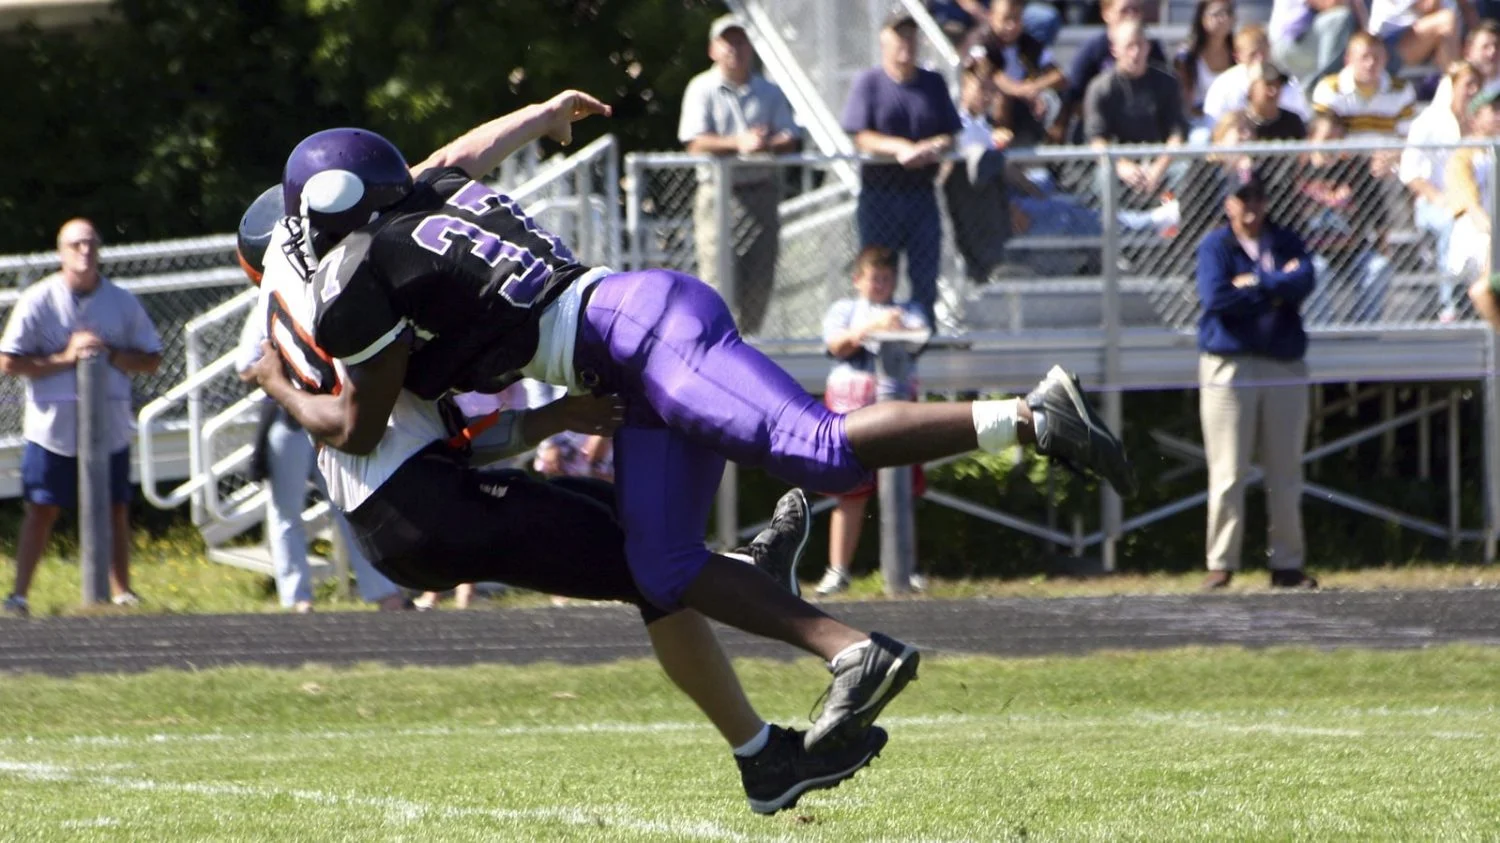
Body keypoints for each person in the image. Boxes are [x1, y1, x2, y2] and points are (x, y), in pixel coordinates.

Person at [250, 88, 1134, 767]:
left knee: (820, 447)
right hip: (628, 361)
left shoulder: (362, 264)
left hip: (639, 329)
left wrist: (277, 381)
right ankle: (835, 642)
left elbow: (359, 418)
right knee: (659, 564)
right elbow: (461, 150)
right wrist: (546, 111)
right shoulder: (428, 195)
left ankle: (1024, 415)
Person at [232, 186, 880, 815]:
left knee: (643, 554)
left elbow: (437, 427)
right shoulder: (340, 293)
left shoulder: (306, 304)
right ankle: (767, 700)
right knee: (654, 563)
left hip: (412, 501)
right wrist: (277, 384)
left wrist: (556, 417)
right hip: (420, 498)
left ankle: (761, 746)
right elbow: (360, 425)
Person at [233, 194, 412, 613]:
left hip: (334, 413)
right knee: (286, 509)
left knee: (352, 504)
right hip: (290, 418)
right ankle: (298, 599)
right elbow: (247, 366)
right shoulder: (272, 296)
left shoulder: (337, 285)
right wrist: (278, 372)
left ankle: (383, 592)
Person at [0, 218, 163, 616]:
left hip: (108, 426)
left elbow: (152, 357)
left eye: (90, 243)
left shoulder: (121, 301)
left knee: (116, 507)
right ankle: (19, 595)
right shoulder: (40, 299)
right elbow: (9, 360)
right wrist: (65, 358)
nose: (84, 252)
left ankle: (121, 590)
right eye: (75, 244)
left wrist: (109, 354)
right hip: (53, 426)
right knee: (42, 507)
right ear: (61, 252)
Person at [1196, 165, 1320, 590]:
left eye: (1256, 198)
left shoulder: (1285, 240)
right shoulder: (1216, 245)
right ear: (1228, 203)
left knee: (1285, 470)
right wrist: (1273, 290)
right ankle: (1221, 563)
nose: (1250, 207)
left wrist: (1257, 282)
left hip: (1282, 363)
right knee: (1228, 470)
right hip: (1229, 366)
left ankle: (1287, 564)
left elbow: (1304, 280)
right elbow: (1217, 296)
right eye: (1241, 198)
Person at [814, 247, 931, 597]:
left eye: (887, 278)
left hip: (896, 406)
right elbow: (837, 345)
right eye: (874, 278)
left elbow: (919, 337)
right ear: (858, 280)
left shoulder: (907, 310)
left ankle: (904, 570)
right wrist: (869, 328)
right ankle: (838, 570)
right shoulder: (844, 311)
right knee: (850, 491)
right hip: (852, 406)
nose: (881, 285)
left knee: (900, 490)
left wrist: (893, 325)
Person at [678, 14, 800, 335]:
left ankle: (749, 350)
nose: (735, 49)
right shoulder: (700, 88)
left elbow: (791, 136)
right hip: (718, 195)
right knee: (717, 281)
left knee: (760, 281)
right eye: (727, 42)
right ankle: (715, 349)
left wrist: (766, 143)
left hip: (761, 193)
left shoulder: (769, 91)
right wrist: (739, 143)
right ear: (712, 49)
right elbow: (694, 142)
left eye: (741, 41)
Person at [842, 10, 963, 328]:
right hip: (880, 195)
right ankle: (876, 336)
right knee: (879, 272)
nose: (905, 43)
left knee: (925, 273)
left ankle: (922, 335)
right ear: (884, 41)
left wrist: (931, 147)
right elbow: (860, 135)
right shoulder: (869, 83)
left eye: (911, 35)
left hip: (921, 194)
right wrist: (900, 149)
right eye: (899, 35)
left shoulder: (933, 83)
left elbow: (950, 134)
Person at [1401, 60, 1482, 321]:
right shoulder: (1428, 121)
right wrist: (1442, 199)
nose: (1472, 91)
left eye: (1476, 86)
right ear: (1452, 85)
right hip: (1433, 203)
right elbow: (1410, 172)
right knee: (1453, 223)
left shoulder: (1484, 124)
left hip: (1478, 204)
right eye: (1467, 84)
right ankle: (1451, 305)